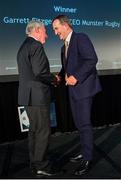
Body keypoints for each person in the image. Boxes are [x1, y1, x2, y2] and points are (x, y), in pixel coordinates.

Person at [52, 15, 102, 176]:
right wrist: (60, 76)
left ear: (66, 25)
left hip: (84, 89)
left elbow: (91, 59)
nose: (55, 32)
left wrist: (76, 77)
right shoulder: (63, 47)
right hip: (73, 90)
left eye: (56, 28)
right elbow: (67, 67)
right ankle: (84, 151)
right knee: (79, 124)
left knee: (85, 124)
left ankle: (87, 158)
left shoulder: (81, 38)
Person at [17, 20, 57, 177]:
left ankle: (35, 163)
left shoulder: (23, 47)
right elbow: (40, 72)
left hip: (27, 97)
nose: (46, 35)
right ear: (37, 30)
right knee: (42, 132)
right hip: (38, 97)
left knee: (34, 131)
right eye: (45, 31)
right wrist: (54, 79)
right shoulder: (36, 46)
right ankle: (42, 165)